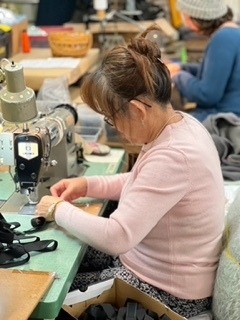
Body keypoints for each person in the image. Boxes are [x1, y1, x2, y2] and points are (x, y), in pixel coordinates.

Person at [36, 25, 225, 318]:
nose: (114, 127)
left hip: (170, 294)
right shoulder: (179, 125)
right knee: (67, 252)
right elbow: (141, 182)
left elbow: (117, 236)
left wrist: (58, 210)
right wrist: (87, 184)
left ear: (138, 110)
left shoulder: (174, 155)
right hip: (153, 267)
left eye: (112, 119)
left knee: (47, 292)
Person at [167, 0, 240, 122]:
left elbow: (206, 95)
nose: (186, 24)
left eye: (186, 17)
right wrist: (183, 67)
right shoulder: (234, 33)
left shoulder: (222, 39)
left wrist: (178, 76)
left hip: (225, 122)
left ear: (197, 18)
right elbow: (216, 73)